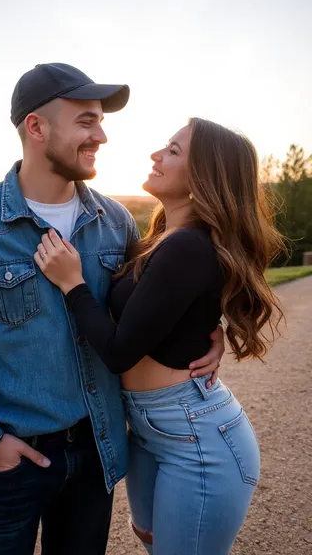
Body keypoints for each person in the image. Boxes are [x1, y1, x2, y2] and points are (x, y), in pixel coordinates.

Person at [0, 64, 224, 555]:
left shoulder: (116, 222)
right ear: (36, 128)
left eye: (100, 121)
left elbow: (164, 293)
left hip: (99, 451)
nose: (100, 135)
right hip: (12, 456)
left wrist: (210, 328)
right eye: (85, 121)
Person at [34, 117, 285, 555]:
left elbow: (118, 352)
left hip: (197, 437)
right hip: (149, 430)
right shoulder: (160, 239)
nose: (156, 154)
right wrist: (213, 329)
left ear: (205, 174)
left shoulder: (187, 246)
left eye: (173, 150)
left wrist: (71, 283)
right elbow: (171, 306)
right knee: (153, 541)